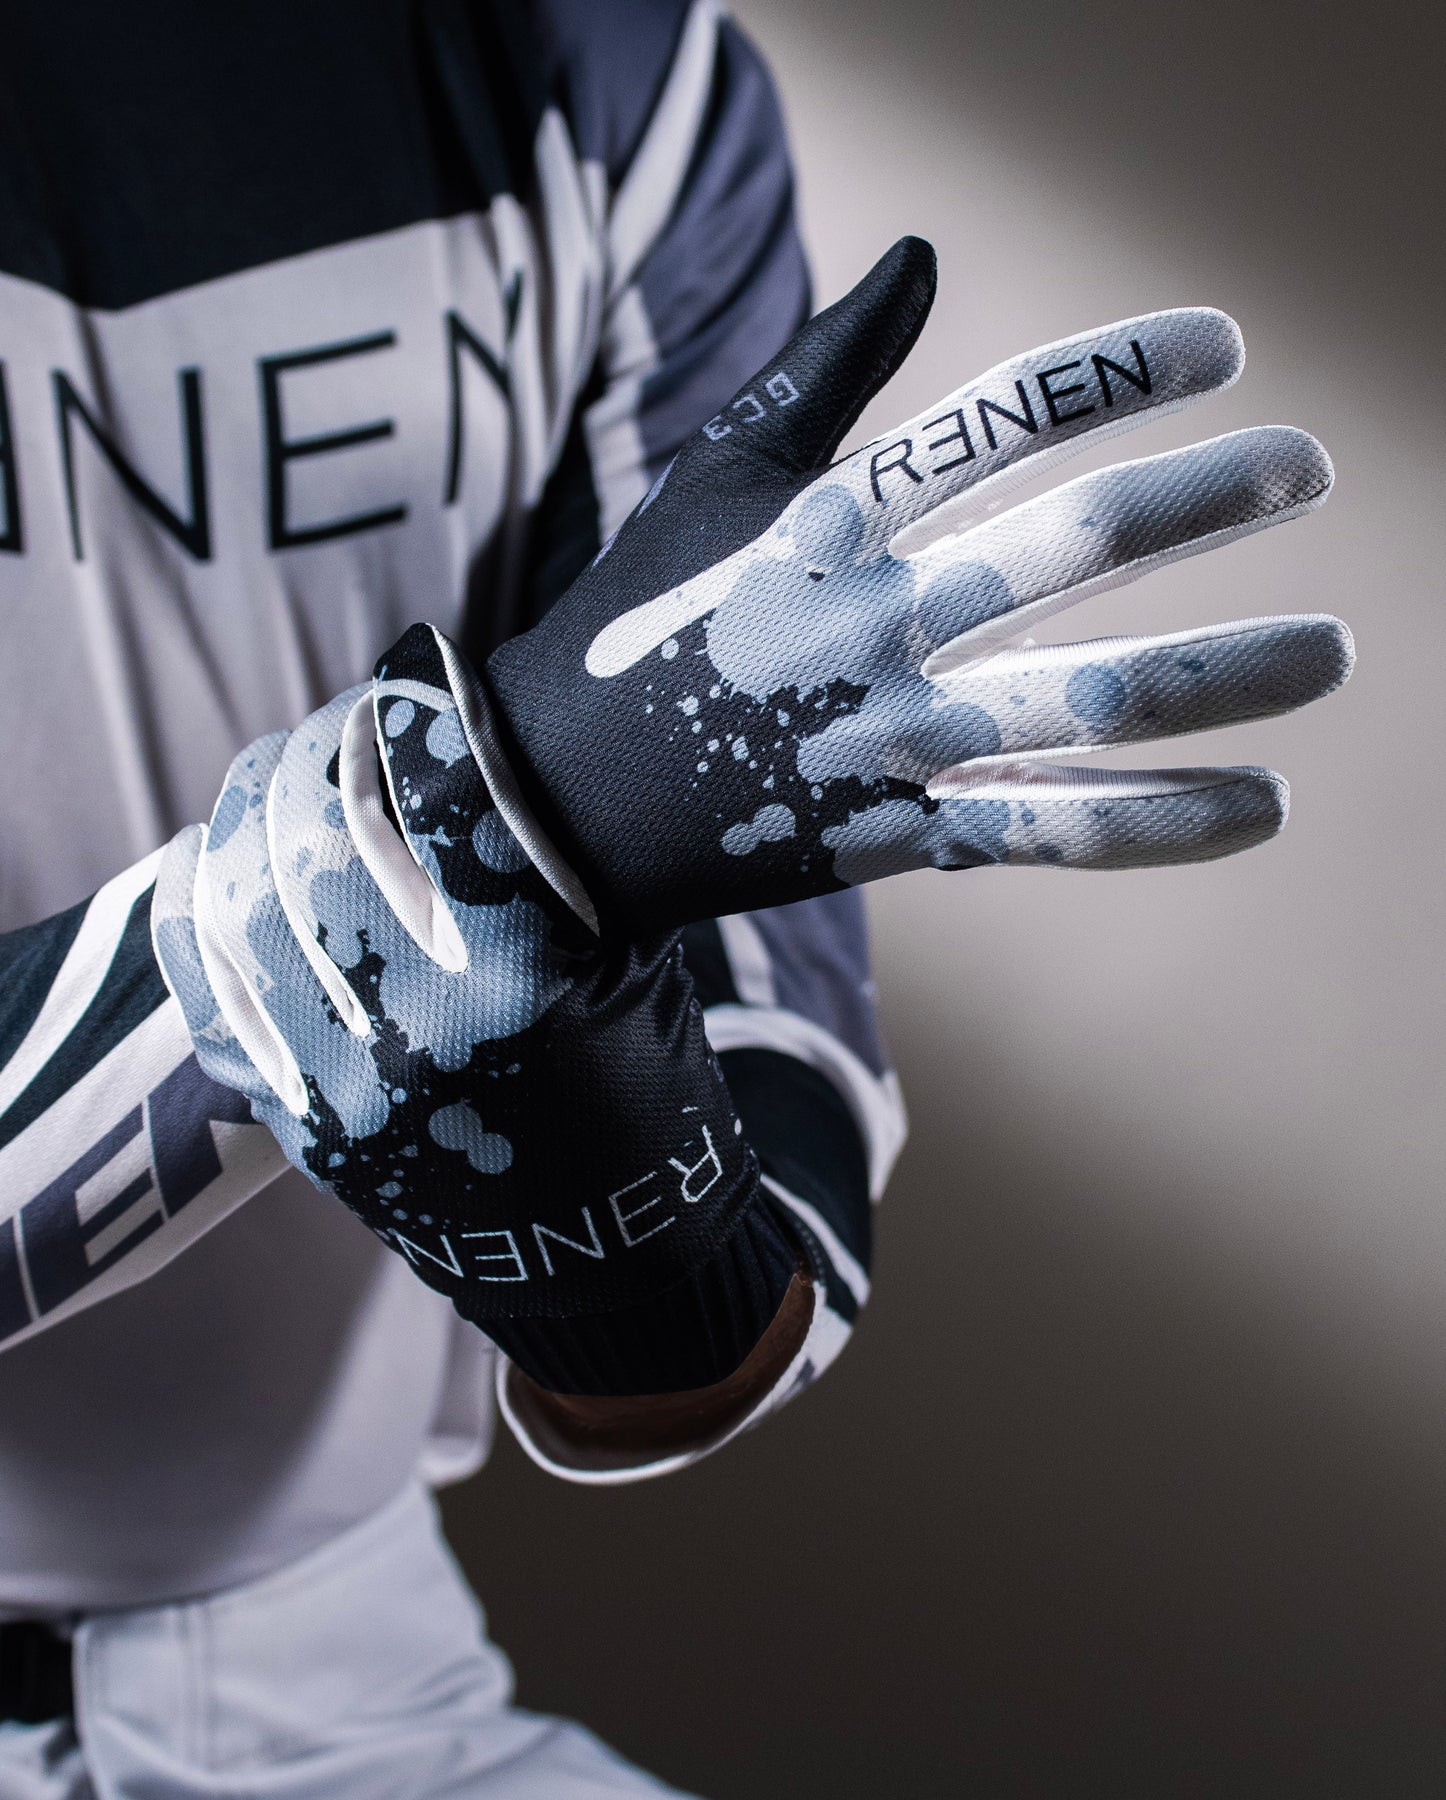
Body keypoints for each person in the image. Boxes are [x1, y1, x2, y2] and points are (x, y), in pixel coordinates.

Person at [0, 2, 1350, 1794]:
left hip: (340, 1677)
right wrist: (438, 868)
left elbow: (716, 1297)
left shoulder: (598, 64)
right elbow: (549, 818)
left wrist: (635, 1245)